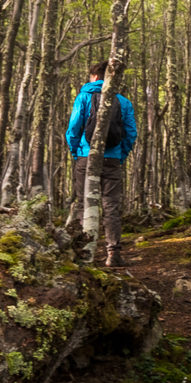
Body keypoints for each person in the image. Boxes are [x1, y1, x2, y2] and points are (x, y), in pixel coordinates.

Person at [65, 60, 138, 267]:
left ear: (95, 77)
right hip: (112, 159)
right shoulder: (123, 102)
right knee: (111, 206)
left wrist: (77, 152)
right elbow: (131, 134)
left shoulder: (84, 97)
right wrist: (120, 156)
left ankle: (83, 253)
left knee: (83, 203)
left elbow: (73, 129)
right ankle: (113, 253)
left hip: (86, 157)